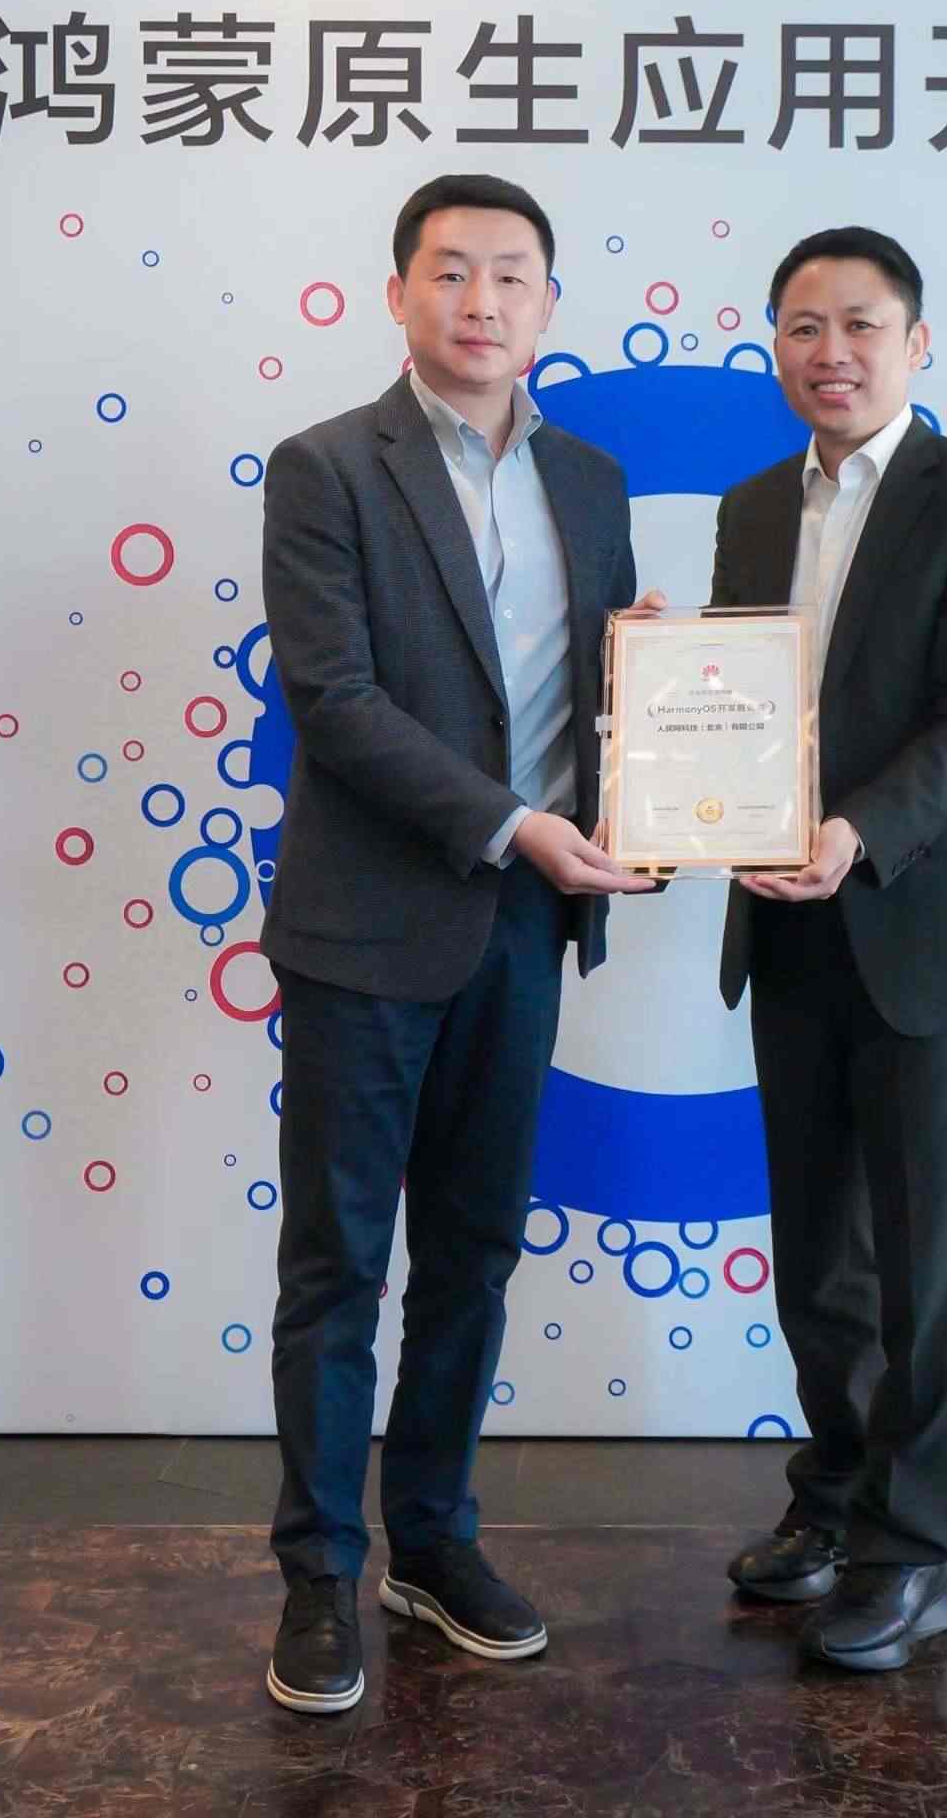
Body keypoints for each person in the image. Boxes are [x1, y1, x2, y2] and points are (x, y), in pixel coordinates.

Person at [255, 172, 657, 1713]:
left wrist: (667, 724)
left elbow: (598, 692)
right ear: (396, 293)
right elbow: (334, 699)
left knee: (475, 1254)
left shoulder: (592, 480)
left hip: (522, 927)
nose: (479, 300)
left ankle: (429, 1541)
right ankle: (316, 1574)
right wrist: (509, 823)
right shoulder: (324, 469)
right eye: (449, 271)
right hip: (368, 923)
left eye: (509, 274)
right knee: (338, 1263)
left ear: (547, 303)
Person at [707, 224, 947, 1671]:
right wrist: (664, 687)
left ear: (915, 344)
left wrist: (859, 831)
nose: (831, 352)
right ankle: (837, 1496)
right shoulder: (748, 507)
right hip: (787, 923)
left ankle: (913, 1551)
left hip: (929, 924)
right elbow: (734, 705)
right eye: (802, 326)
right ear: (774, 348)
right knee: (819, 1254)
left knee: (928, 1257)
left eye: (860, 324)